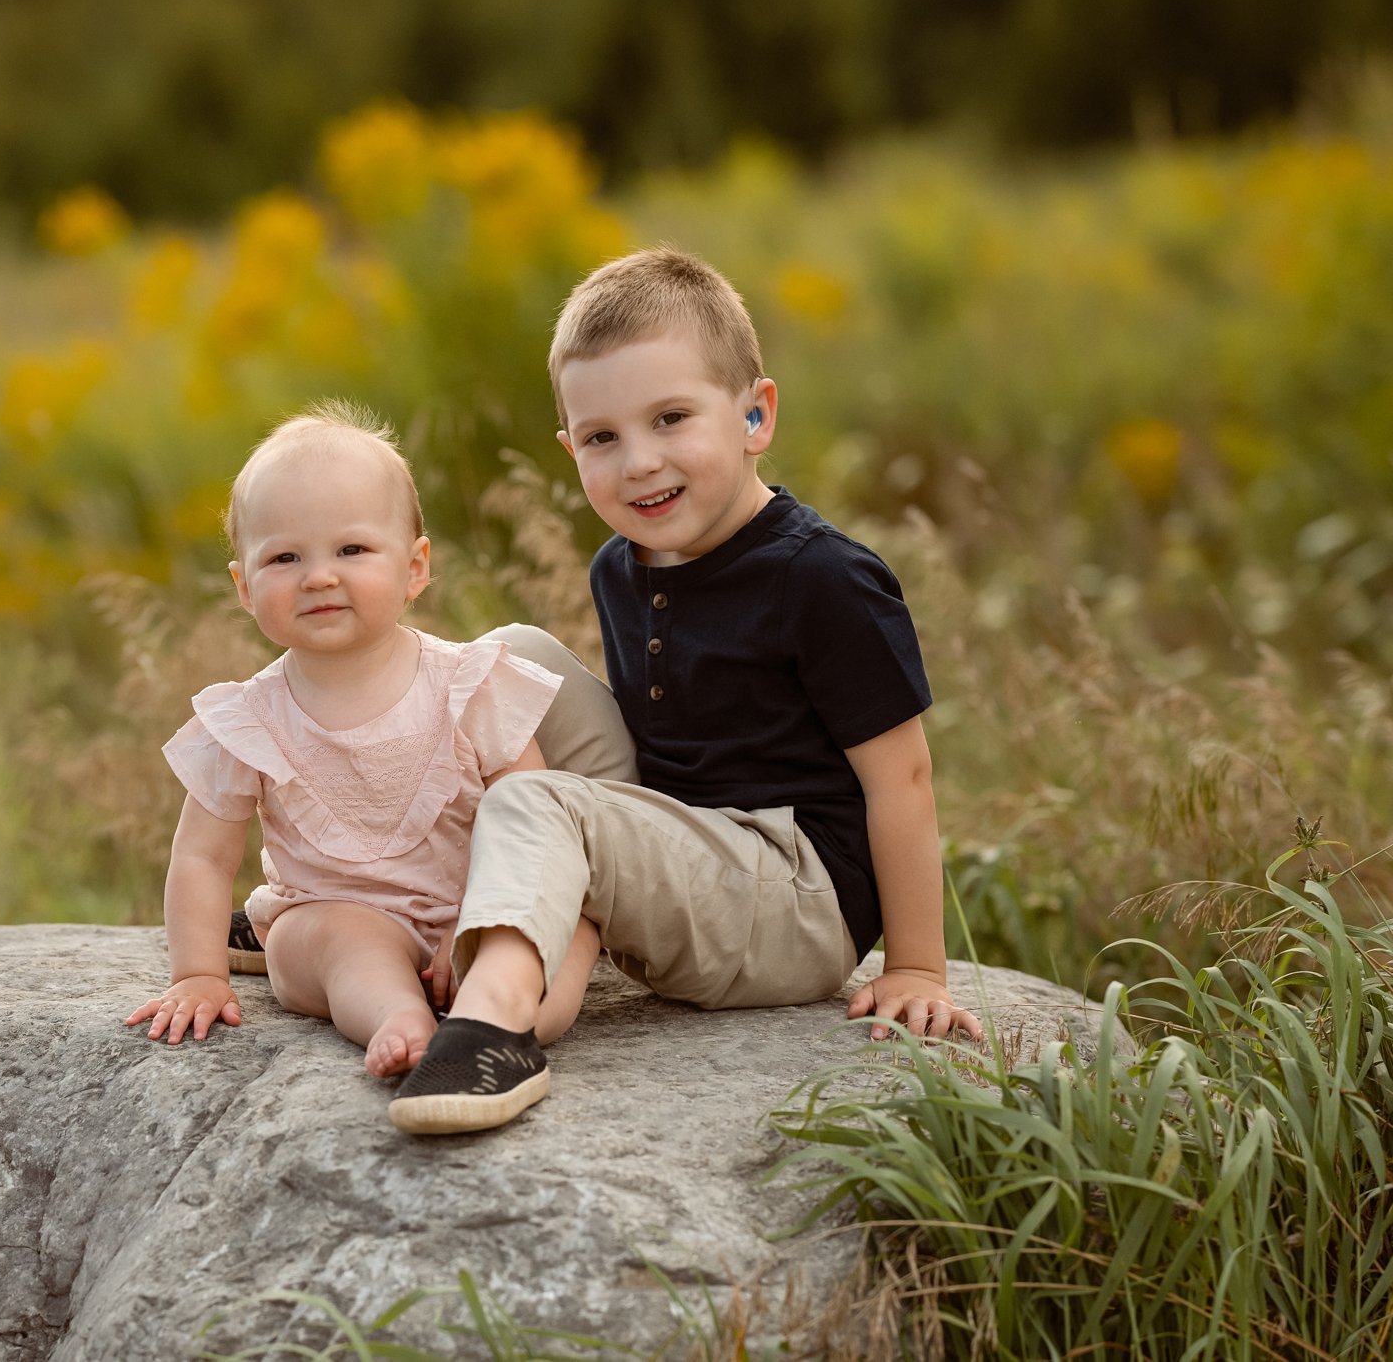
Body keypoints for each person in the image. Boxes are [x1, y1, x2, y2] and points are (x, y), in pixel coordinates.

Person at [388, 248, 984, 1135]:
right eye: (603, 438)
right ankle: (367, 888)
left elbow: (903, 780)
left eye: (671, 418)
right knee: (504, 659)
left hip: (790, 897)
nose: (639, 463)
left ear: (755, 413)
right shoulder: (618, 566)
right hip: (685, 843)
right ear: (571, 449)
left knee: (538, 799)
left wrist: (918, 969)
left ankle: (494, 1027)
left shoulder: (822, 579)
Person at [125, 403, 606, 1078]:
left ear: (415, 567)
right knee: (325, 940)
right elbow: (203, 858)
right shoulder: (249, 720)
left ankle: (499, 1012)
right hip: (338, 912)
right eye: (285, 557)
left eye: (352, 550)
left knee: (567, 932)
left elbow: (532, 819)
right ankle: (395, 1016)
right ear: (244, 586)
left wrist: (478, 917)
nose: (319, 575)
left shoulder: (468, 684)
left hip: (477, 904)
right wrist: (198, 973)